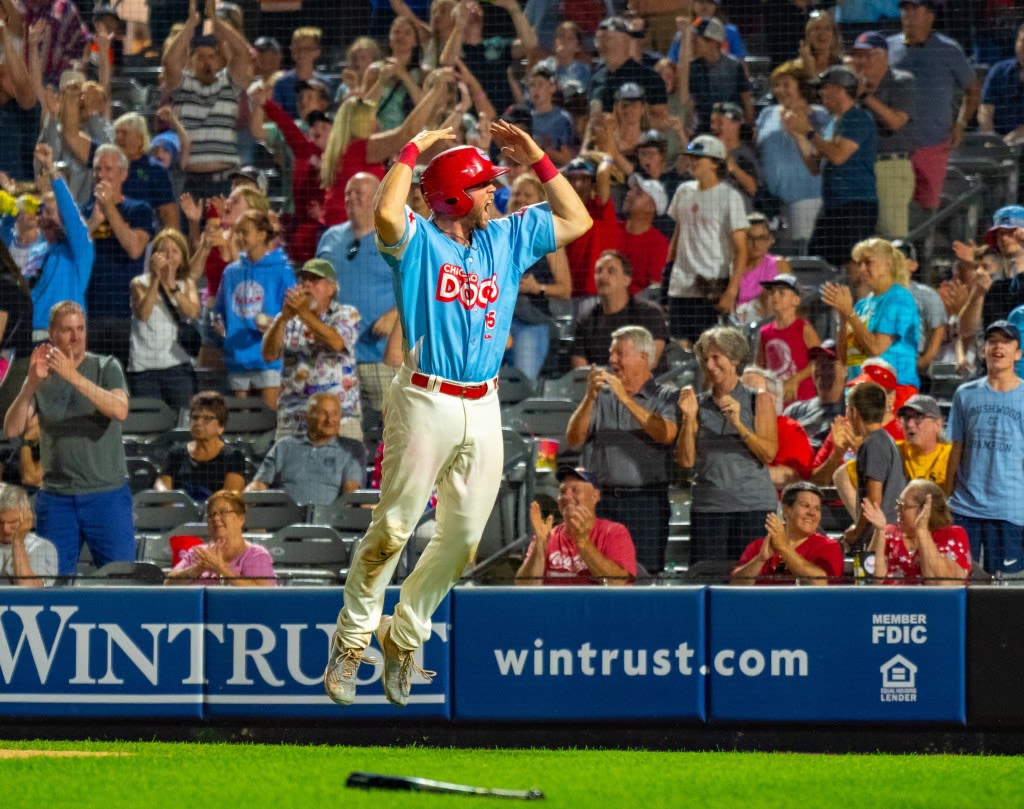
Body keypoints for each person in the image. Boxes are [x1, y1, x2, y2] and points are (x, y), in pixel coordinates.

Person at [322, 122, 591, 708]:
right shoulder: (418, 240)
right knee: (393, 527)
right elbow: (390, 213)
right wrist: (414, 149)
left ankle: (404, 634)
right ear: (451, 198)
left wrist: (539, 156)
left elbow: (578, 219)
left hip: (484, 401)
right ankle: (350, 642)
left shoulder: (506, 238)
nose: (495, 193)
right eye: (484, 187)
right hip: (425, 397)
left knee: (465, 539)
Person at [3, 301, 134, 577]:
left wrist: (72, 376)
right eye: (67, 330)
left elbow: (119, 409)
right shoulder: (38, 373)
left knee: (121, 581)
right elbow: (12, 430)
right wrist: (31, 384)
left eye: (80, 329)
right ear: (51, 333)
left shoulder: (106, 366)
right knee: (53, 582)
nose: (76, 337)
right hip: (57, 498)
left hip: (106, 495)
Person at [566, 325, 678, 573]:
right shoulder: (601, 396)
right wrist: (588, 398)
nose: (611, 360)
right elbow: (574, 438)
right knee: (599, 572)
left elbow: (667, 434)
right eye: (611, 353)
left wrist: (626, 399)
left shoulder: (666, 395)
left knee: (645, 575)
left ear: (643, 358)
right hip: (603, 501)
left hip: (646, 503)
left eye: (619, 354)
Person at [677, 325, 778, 565]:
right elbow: (686, 461)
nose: (709, 365)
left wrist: (739, 425)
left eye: (716, 357)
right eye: (705, 358)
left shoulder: (758, 399)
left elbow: (768, 453)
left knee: (750, 584)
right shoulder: (696, 404)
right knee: (709, 578)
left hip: (752, 508)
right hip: (709, 508)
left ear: (735, 358)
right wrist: (688, 418)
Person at [317, 173, 399, 443]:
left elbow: (421, 284)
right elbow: (316, 286)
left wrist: (395, 313)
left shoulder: (396, 238)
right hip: (338, 359)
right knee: (341, 433)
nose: (350, 198)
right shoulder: (330, 237)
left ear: (377, 198)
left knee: (393, 433)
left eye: (359, 193)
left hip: (381, 356)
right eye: (348, 193)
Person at [946, 320, 1024, 574]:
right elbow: (955, 448)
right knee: (959, 581)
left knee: (1006, 595)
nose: (998, 347)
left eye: (1006, 342)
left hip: (1010, 511)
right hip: (964, 508)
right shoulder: (964, 394)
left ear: (1018, 353)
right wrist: (947, 498)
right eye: (992, 341)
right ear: (983, 350)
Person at [887, 0, 979, 213]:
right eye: (904, 9)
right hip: (894, 148)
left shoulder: (949, 49)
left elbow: (973, 89)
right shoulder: (888, 47)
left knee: (928, 213)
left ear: (930, 15)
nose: (907, 15)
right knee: (894, 212)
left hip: (933, 145)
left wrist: (961, 124)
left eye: (914, 9)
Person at [787, 65, 878, 270]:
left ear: (839, 89)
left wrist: (809, 132)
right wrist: (799, 136)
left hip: (856, 206)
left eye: (824, 88)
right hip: (833, 206)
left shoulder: (858, 118)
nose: (820, 93)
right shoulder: (833, 123)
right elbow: (814, 166)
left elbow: (838, 156)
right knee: (816, 262)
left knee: (852, 266)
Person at [262, 258, 362, 441]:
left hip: (339, 417)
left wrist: (303, 314)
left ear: (332, 289)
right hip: (295, 416)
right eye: (303, 280)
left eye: (314, 280)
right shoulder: (289, 319)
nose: (307, 284)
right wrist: (283, 318)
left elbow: (336, 343)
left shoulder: (346, 314)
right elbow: (269, 354)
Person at [162, 0, 254, 198]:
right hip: (190, 182)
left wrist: (215, 20)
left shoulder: (229, 83)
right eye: (201, 56)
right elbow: (169, 62)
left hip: (225, 181)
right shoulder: (181, 85)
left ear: (218, 59)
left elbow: (243, 53)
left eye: (211, 56)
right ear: (191, 60)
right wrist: (191, 24)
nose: (207, 61)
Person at [664, 135, 748, 343]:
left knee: (709, 350)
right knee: (679, 349)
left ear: (715, 163)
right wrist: (667, 274)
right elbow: (677, 235)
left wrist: (731, 291)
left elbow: (741, 249)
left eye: (698, 158)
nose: (692, 163)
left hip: (711, 289)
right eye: (691, 158)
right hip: (681, 286)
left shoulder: (729, 196)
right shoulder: (683, 191)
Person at [83, 144, 156, 369]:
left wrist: (109, 209)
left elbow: (134, 248)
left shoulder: (139, 210)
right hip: (90, 313)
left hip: (124, 314)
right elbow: (74, 251)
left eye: (107, 169)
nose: (101, 175)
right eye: (97, 169)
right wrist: (94, 221)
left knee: (121, 385)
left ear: (123, 174)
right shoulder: (84, 211)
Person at [214, 210, 293, 410]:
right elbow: (219, 311)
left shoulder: (282, 270)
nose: (239, 237)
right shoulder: (231, 271)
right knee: (241, 423)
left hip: (268, 358)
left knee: (268, 419)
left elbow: (295, 312)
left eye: (245, 232)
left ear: (261, 234)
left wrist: (273, 323)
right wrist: (220, 326)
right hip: (237, 357)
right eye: (237, 232)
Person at [823, 236, 920, 389]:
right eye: (859, 263)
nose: (862, 269)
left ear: (887, 265)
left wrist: (849, 313)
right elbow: (844, 358)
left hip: (893, 392)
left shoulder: (899, 298)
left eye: (868, 262)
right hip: (859, 391)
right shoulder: (862, 305)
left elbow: (876, 348)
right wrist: (843, 318)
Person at [515, 465, 636, 585]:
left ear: (595, 495)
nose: (566, 497)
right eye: (562, 491)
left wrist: (583, 543)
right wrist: (539, 548)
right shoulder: (547, 536)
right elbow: (524, 588)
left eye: (575, 490)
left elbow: (618, 583)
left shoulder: (614, 532)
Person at [504, 174, 572, 381]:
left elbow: (565, 289)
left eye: (527, 195)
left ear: (540, 202)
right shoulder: (500, 233)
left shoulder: (549, 240)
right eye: (516, 194)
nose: (520, 199)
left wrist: (537, 288)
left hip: (531, 325)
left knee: (523, 384)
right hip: (497, 324)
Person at [755, 60, 829, 247]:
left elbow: (824, 151)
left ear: (801, 87)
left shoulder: (819, 115)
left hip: (805, 197)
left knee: (802, 250)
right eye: (776, 85)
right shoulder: (766, 114)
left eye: (786, 85)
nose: (780, 90)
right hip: (771, 202)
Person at [850, 31, 915, 240]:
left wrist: (865, 97)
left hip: (889, 167)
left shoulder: (901, 81)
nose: (861, 61)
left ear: (885, 56)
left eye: (868, 55)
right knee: (861, 239)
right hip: (858, 169)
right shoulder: (849, 87)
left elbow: (895, 122)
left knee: (891, 239)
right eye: (857, 55)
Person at [247, 393, 365, 506]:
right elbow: (260, 483)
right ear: (307, 416)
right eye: (323, 413)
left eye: (335, 414)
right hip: (283, 519)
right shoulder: (284, 445)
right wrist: (246, 498)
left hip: (328, 521)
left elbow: (351, 491)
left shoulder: (351, 449)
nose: (330, 420)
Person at [127, 228, 200, 411]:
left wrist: (172, 287)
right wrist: (156, 280)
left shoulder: (186, 284)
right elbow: (143, 313)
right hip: (144, 370)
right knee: (150, 425)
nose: (168, 255)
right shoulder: (139, 283)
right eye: (163, 250)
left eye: (174, 251)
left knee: (183, 423)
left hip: (177, 367)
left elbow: (191, 312)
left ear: (182, 257)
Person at [730, 481, 843, 585]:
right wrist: (760, 560)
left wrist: (783, 547)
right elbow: (734, 586)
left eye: (817, 508)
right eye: (805, 506)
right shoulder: (759, 546)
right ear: (786, 510)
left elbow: (821, 584)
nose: (812, 513)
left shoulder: (828, 547)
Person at [570, 250, 668, 371]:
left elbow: (649, 361)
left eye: (611, 271)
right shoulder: (586, 319)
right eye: (598, 271)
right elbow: (580, 370)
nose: (602, 276)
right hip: (602, 387)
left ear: (626, 280)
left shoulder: (649, 313)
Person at [863, 479, 970, 585]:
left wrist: (922, 531)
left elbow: (941, 583)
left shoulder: (952, 535)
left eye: (904, 505)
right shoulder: (889, 533)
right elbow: (871, 579)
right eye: (898, 503)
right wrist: (879, 531)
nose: (897, 508)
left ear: (925, 509)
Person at [842, 380, 907, 552]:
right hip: (885, 533)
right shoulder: (884, 439)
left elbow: (873, 500)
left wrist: (856, 533)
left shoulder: (873, 444)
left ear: (854, 412)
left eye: (847, 408)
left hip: (879, 537)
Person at [165, 489, 277, 586]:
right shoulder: (198, 553)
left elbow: (263, 594)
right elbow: (168, 584)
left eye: (223, 512)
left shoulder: (256, 554)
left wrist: (221, 569)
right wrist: (196, 570)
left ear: (241, 519)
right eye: (211, 514)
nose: (216, 518)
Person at [157, 391, 247, 502]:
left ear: (221, 426)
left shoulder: (233, 457)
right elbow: (163, 493)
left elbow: (230, 498)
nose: (198, 423)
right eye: (195, 417)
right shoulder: (176, 454)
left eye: (207, 418)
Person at [756, 273, 820, 404]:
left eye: (781, 292)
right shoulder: (764, 332)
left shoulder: (804, 328)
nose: (775, 296)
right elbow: (760, 366)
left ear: (795, 300)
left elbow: (819, 362)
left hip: (803, 401)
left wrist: (795, 379)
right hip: (776, 403)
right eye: (772, 292)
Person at [783, 341, 846, 449]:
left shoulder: (850, 413)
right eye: (818, 363)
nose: (822, 368)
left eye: (829, 363)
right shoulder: (794, 411)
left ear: (845, 370)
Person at [0, 483, 57, 586]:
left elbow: (29, 592)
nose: (6, 529)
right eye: (0, 522)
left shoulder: (42, 548)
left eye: (13, 522)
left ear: (27, 517)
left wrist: (18, 543)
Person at [978, 23, 1024, 142]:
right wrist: (990, 138)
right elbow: (985, 109)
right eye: (1022, 41)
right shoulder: (999, 70)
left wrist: (1016, 136)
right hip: (995, 141)